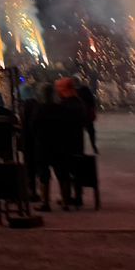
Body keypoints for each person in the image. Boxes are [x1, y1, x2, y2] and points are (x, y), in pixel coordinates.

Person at [47, 79, 91, 209]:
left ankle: (66, 197)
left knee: (64, 172)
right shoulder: (79, 103)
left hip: (64, 144)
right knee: (76, 171)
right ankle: (77, 197)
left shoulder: (63, 105)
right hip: (77, 142)